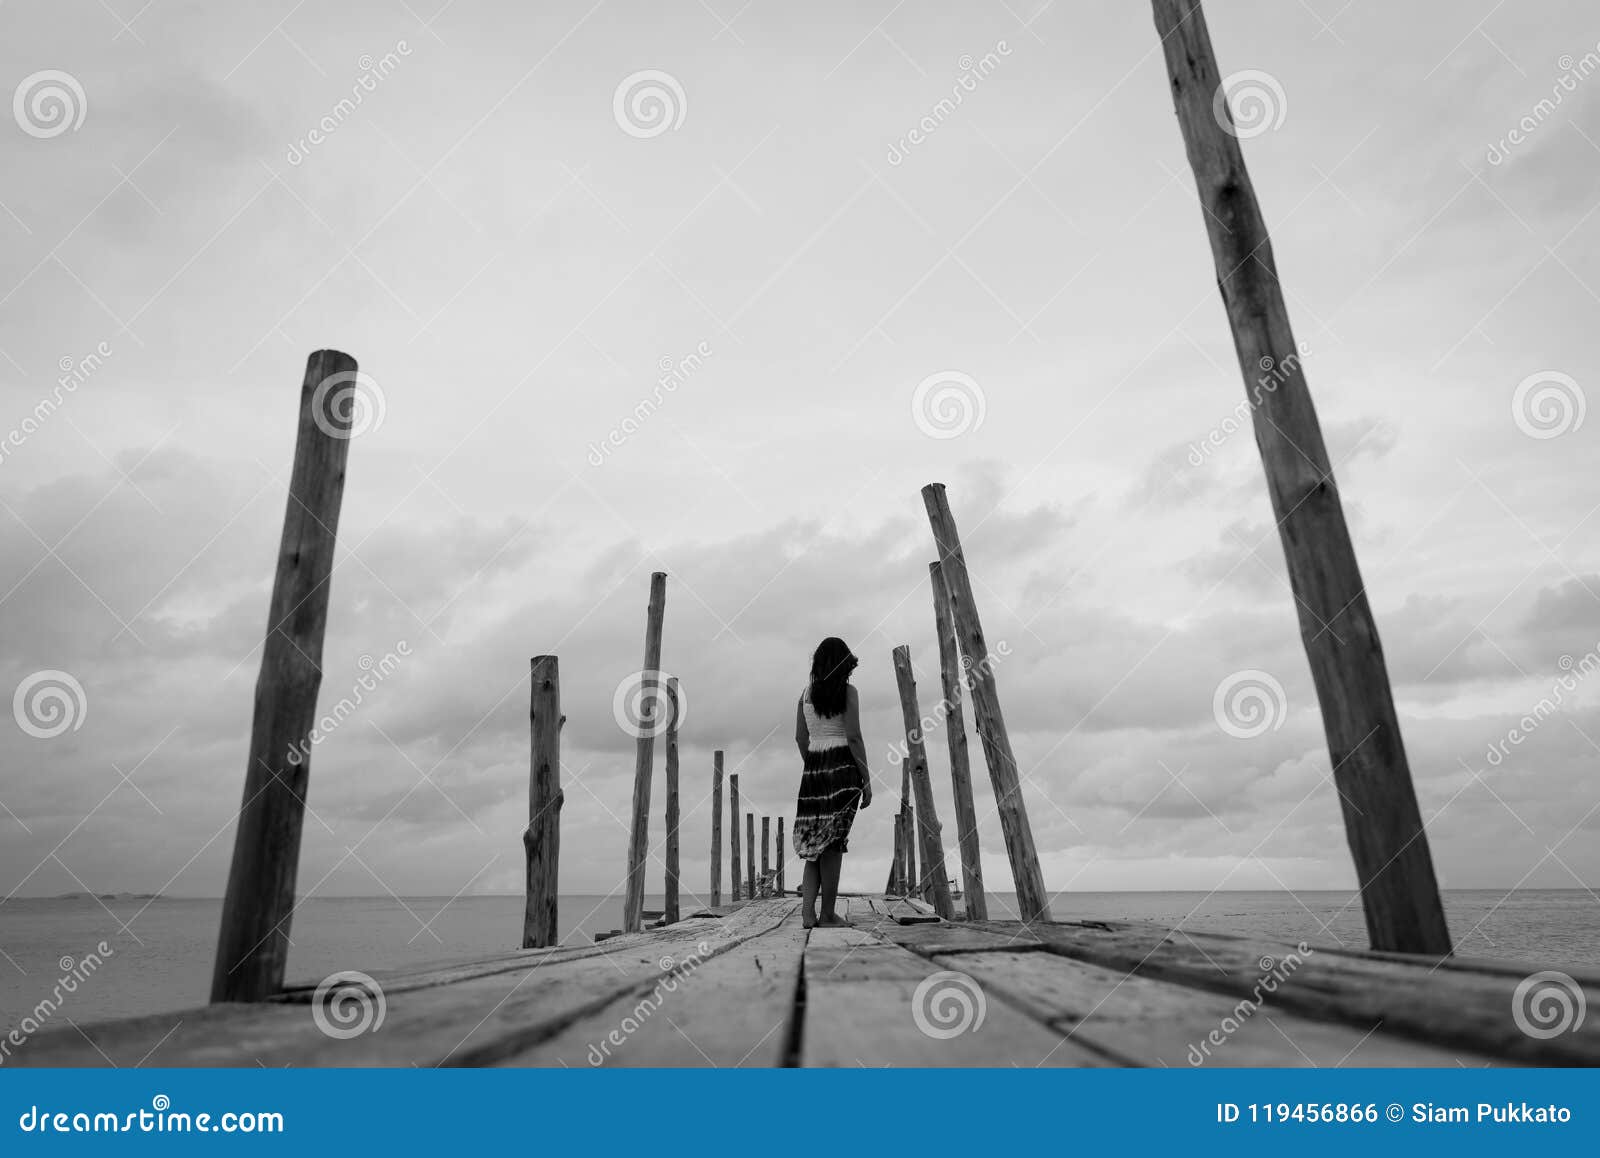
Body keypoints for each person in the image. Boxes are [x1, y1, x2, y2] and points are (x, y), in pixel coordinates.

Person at [791, 637, 872, 928]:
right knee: (834, 844)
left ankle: (807, 914)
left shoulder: (805, 694)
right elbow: (853, 737)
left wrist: (813, 765)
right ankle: (827, 915)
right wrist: (866, 779)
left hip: (814, 769)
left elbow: (801, 738)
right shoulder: (848, 692)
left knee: (814, 844)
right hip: (843, 769)